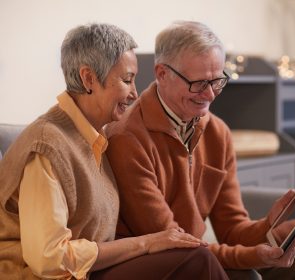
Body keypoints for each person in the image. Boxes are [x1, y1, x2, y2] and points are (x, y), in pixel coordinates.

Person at [0, 23, 228, 280]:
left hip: (88, 271)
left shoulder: (94, 137)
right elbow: (49, 259)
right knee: (195, 260)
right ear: (89, 79)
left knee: (198, 260)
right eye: (127, 80)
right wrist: (145, 243)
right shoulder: (47, 146)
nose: (134, 93)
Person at [106, 20, 295, 279]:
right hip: (161, 263)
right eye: (199, 83)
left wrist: (271, 226)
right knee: (247, 276)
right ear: (162, 73)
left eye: (217, 81)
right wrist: (254, 257)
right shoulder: (127, 138)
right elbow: (176, 243)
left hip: (197, 256)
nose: (210, 95)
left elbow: (232, 229)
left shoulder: (218, 133)